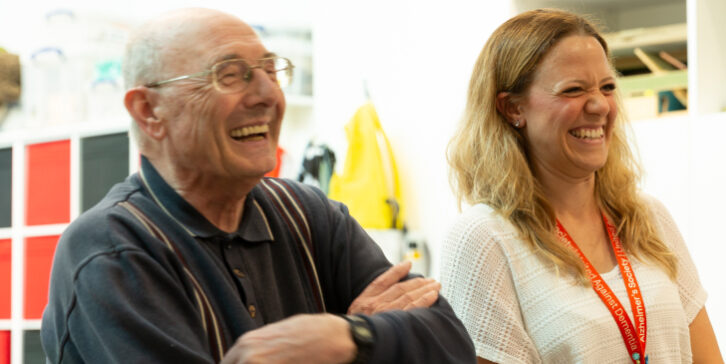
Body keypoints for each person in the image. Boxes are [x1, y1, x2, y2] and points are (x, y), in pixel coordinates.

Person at [40, 8, 474, 364]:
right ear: (149, 110)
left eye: (271, 69)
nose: (268, 93)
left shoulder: (308, 213)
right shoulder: (112, 250)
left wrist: (347, 334)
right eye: (230, 75)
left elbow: (451, 341)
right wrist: (355, 345)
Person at [441, 8, 723, 364]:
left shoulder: (648, 218)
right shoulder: (484, 241)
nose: (599, 105)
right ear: (513, 108)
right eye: (573, 90)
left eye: (607, 87)